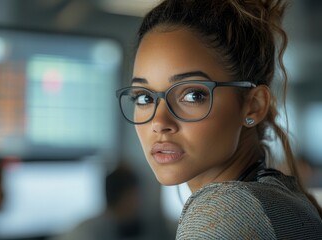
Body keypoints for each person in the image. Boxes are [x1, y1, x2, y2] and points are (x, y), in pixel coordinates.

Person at [115, 0, 322, 239]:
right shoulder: (277, 198)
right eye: (143, 97)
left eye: (193, 95)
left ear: (253, 106)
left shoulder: (225, 214)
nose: (159, 122)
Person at [56, 163, 144, 240]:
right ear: (126, 198)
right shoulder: (87, 232)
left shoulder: (117, 227)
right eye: (136, 196)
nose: (139, 203)